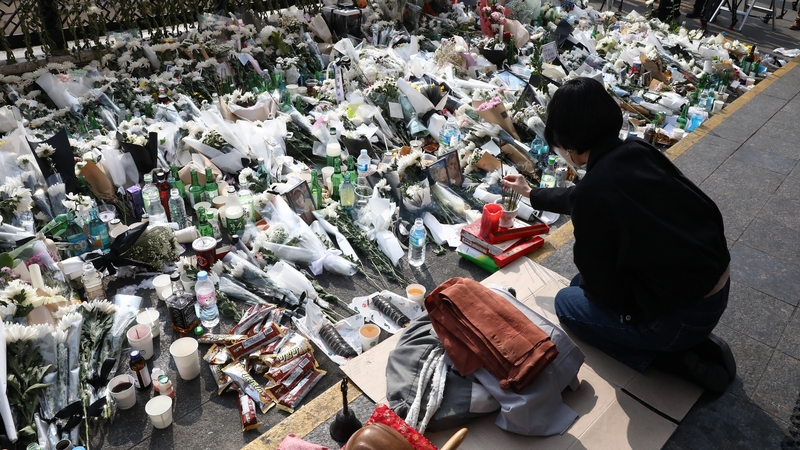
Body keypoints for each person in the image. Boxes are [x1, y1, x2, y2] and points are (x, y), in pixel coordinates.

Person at [501, 78, 735, 393]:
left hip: (681, 317)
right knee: (578, 286)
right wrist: (531, 193)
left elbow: (604, 290)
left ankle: (668, 359)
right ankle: (685, 342)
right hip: (712, 288)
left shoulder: (594, 193)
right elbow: (581, 195)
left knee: (567, 303)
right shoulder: (636, 151)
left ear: (570, 144)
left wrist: (593, 288)